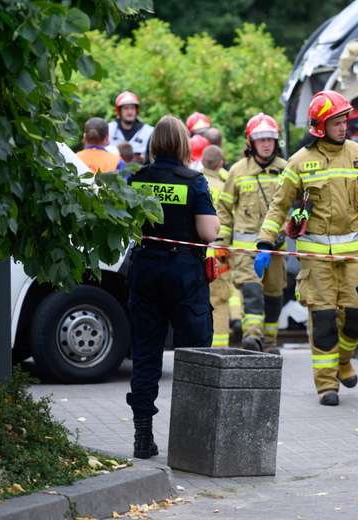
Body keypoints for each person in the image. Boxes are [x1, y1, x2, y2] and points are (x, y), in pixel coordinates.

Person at [256, 91, 358, 405]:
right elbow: (279, 205)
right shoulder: (299, 163)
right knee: (324, 319)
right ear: (320, 126)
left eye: (344, 120)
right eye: (336, 122)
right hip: (316, 259)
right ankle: (326, 385)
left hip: (354, 253)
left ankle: (343, 361)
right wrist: (265, 239)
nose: (344, 127)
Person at [126, 115, 219, 459]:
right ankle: (190, 440)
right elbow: (209, 232)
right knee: (193, 353)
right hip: (183, 272)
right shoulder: (193, 181)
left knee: (146, 352)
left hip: (146, 268)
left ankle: (142, 436)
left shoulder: (137, 179)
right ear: (182, 144)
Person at [216, 113, 288, 353]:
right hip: (246, 250)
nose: (266, 143)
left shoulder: (286, 170)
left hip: (276, 249)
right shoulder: (237, 171)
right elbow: (224, 209)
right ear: (251, 142)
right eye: (261, 139)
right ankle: (252, 337)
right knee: (252, 291)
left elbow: (298, 206)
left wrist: (288, 228)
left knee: (274, 295)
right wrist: (221, 243)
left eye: (270, 139)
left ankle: (269, 342)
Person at [202, 145, 232, 348]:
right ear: (220, 164)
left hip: (198, 250)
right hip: (220, 251)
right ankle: (219, 347)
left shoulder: (196, 183)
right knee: (220, 300)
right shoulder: (224, 187)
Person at [108, 91, 153, 164]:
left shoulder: (148, 131)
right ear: (119, 111)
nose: (130, 112)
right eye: (126, 108)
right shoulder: (109, 129)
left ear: (136, 110)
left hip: (140, 174)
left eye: (132, 108)